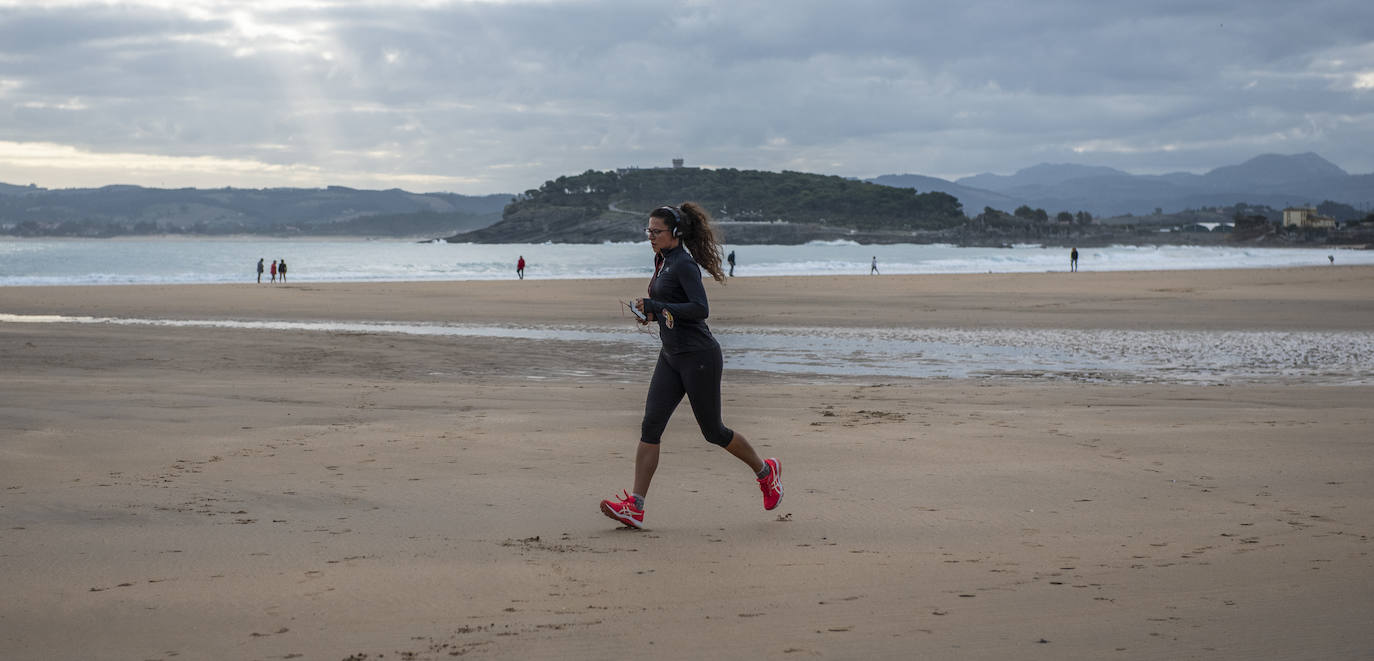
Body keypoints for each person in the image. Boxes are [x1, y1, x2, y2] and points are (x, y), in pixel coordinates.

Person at [599, 203, 782, 529]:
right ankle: (635, 507)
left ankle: (766, 472)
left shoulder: (684, 264)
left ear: (676, 233)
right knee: (650, 426)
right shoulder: (662, 260)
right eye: (648, 230)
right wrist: (651, 313)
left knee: (714, 432)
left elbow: (700, 309)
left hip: (699, 358)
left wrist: (659, 305)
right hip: (671, 355)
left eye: (656, 232)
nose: (650, 237)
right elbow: (672, 309)